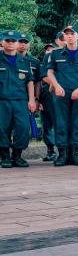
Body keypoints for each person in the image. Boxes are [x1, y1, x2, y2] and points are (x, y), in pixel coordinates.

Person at [46, 25, 78, 166]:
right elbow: (50, 72)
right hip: (61, 93)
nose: (69, 36)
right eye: (66, 34)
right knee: (61, 122)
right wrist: (57, 86)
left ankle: (75, 154)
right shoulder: (55, 54)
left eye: (72, 33)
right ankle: (62, 154)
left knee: (77, 123)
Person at [0, 30, 37, 168]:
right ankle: (4, 157)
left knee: (23, 127)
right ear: (2, 42)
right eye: (8, 41)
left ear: (17, 43)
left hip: (21, 100)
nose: (11, 43)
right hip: (2, 100)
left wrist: (32, 100)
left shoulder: (25, 62)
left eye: (13, 41)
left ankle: (17, 156)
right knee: (2, 128)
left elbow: (30, 82)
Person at [38, 42, 58, 161]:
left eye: (52, 49)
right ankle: (50, 149)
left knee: (57, 122)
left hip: (57, 94)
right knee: (46, 124)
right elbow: (39, 81)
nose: (49, 51)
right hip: (44, 95)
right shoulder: (42, 65)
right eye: (47, 50)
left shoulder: (59, 63)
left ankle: (61, 149)